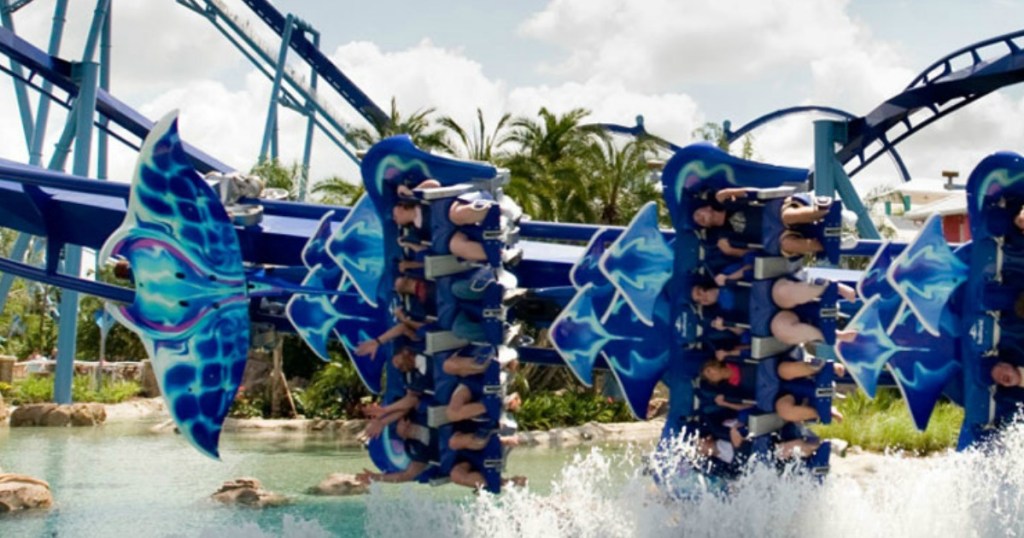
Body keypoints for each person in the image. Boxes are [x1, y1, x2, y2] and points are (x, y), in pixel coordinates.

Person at [691, 278, 857, 346]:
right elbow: (741, 329)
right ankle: (834, 335)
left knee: (785, 293)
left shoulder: (724, 278)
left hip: (768, 293)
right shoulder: (719, 314)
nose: (702, 298)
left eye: (700, 292)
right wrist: (726, 326)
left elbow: (749, 267)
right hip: (767, 318)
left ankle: (834, 287)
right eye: (699, 301)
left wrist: (729, 276)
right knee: (784, 330)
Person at [691, 189, 835, 258]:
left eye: (698, 214)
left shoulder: (727, 201)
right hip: (769, 238)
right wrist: (732, 251)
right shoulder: (724, 238)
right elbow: (750, 253)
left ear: (707, 207)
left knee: (787, 216)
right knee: (788, 245)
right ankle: (830, 245)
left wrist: (725, 194)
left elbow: (751, 192)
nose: (699, 219)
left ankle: (825, 211)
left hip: (771, 213)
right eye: (699, 222)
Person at [700, 355, 844, 423]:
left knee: (786, 370)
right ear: (715, 382)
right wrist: (725, 403)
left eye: (709, 370)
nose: (711, 374)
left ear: (714, 365)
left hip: (772, 372)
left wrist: (728, 352)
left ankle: (825, 366)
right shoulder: (729, 390)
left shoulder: (732, 359)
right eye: (709, 376)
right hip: (774, 395)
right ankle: (824, 412)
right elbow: (745, 405)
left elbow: (747, 350)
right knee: (785, 411)